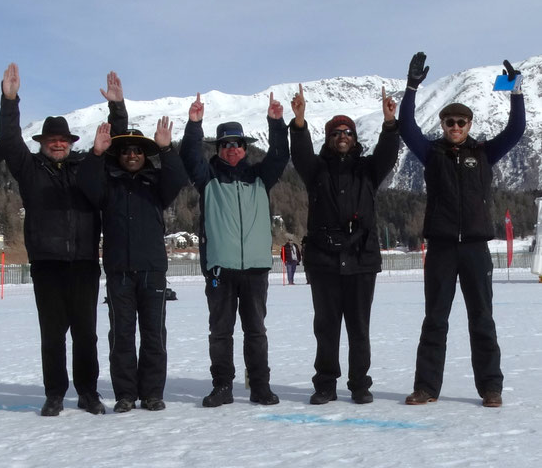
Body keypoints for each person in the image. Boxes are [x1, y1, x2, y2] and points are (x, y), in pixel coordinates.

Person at [0, 64, 127, 416]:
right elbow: (10, 142)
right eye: (51, 140)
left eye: (63, 140)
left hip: (84, 263)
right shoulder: (29, 169)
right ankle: (54, 393)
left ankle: (87, 392)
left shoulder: (87, 166)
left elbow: (115, 146)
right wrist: (9, 100)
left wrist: (117, 108)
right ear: (42, 144)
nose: (57, 144)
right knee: (52, 335)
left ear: (71, 143)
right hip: (47, 263)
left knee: (86, 334)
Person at [400, 53, 525, 408]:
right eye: (450, 122)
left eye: (461, 122)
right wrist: (411, 88)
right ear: (442, 124)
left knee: (482, 319)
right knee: (435, 320)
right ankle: (426, 387)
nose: (455, 127)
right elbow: (407, 126)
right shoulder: (431, 153)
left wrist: (516, 92)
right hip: (440, 248)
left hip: (474, 248)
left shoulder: (485, 154)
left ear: (469, 125)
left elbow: (516, 131)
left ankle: (490, 387)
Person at [289, 83, 399, 405]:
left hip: (361, 259)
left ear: (354, 138)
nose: (342, 136)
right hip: (323, 261)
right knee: (326, 327)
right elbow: (300, 155)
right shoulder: (316, 171)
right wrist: (299, 123)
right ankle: (325, 384)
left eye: (347, 132)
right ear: (328, 138)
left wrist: (390, 125)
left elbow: (388, 155)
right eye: (336, 132)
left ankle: (359, 384)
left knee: (359, 328)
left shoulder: (368, 171)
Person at [180, 92, 289, 407]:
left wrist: (276, 121)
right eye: (226, 145)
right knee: (220, 332)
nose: (232, 149)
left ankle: (260, 387)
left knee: (256, 331)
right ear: (219, 149)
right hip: (219, 271)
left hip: (255, 269)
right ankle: (223, 387)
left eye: (237, 144)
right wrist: (194, 124)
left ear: (245, 148)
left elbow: (280, 154)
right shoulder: (208, 178)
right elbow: (189, 155)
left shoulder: (259, 178)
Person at [78, 117, 187, 413]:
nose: (132, 156)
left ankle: (152, 393)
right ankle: (125, 393)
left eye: (138, 151)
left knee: (154, 335)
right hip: (119, 273)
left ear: (144, 155)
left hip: (152, 271)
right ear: (119, 155)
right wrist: (96, 154)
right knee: (122, 337)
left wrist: (166, 150)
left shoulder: (156, 186)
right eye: (126, 151)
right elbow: (85, 183)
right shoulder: (108, 185)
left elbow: (178, 178)